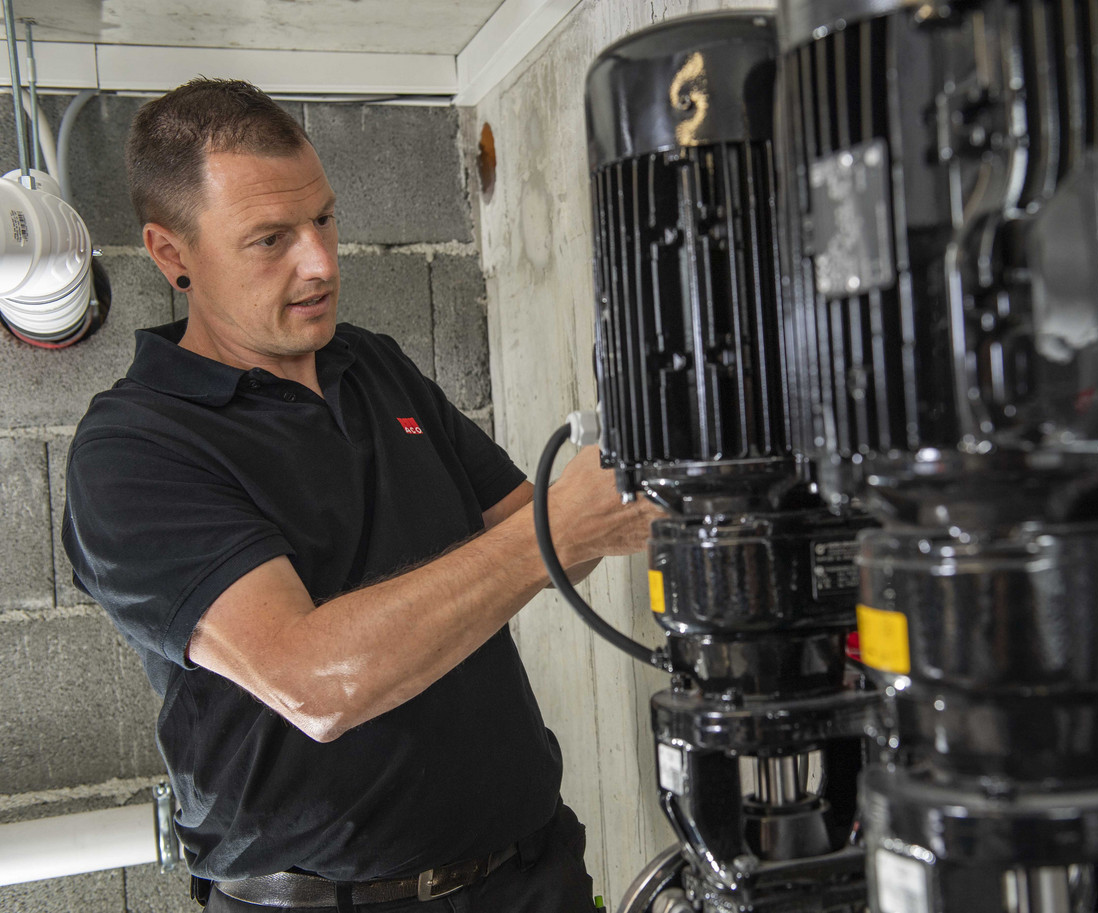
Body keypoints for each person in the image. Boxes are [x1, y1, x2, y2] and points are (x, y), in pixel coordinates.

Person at [61, 78, 658, 912]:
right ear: (172, 255)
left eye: (325, 219)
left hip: (532, 870)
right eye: (271, 239)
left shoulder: (371, 364)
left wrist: (640, 491)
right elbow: (314, 682)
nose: (321, 262)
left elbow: (544, 543)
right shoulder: (135, 449)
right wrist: (557, 530)